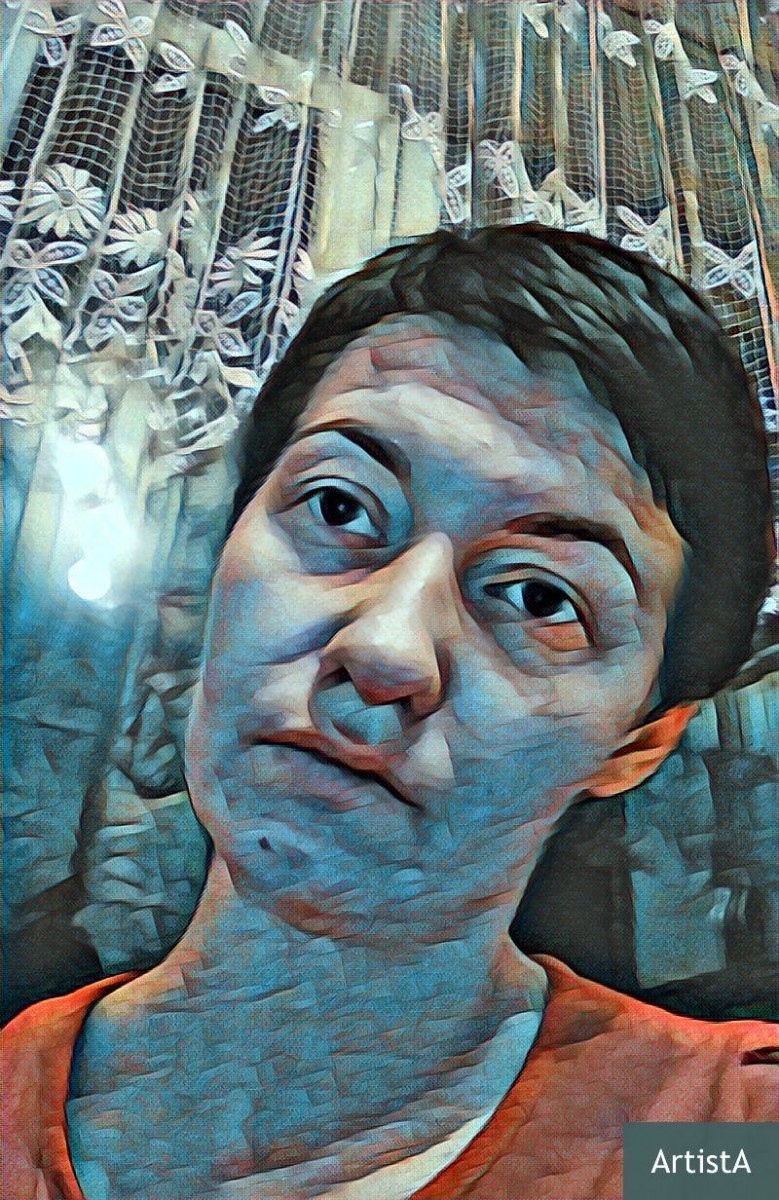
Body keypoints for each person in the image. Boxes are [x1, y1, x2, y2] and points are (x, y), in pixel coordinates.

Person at [4, 227, 777, 1200]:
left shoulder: (709, 1143)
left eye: (540, 597)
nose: (384, 651)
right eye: (338, 507)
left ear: (639, 739)